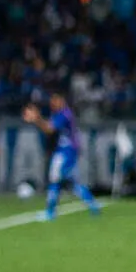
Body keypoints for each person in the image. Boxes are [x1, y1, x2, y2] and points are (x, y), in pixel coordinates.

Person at [37, 91, 100, 219]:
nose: (52, 104)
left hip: (65, 151)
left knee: (55, 178)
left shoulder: (64, 114)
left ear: (62, 100)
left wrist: (36, 118)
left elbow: (49, 129)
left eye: (55, 101)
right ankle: (93, 205)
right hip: (67, 151)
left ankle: (50, 212)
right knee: (72, 182)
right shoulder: (62, 114)